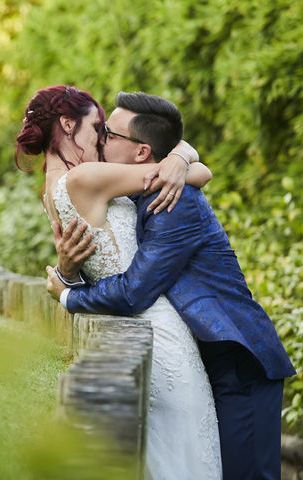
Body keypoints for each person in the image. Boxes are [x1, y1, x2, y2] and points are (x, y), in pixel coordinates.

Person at [46, 90, 297, 480]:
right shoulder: (144, 189)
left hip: (238, 361)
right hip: (207, 354)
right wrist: (182, 156)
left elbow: (134, 291)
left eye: (109, 135)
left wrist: (67, 294)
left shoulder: (174, 203)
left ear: (142, 153)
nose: (100, 140)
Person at [15, 85, 221, 479]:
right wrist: (181, 154)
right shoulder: (88, 178)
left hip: (131, 320)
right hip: (159, 328)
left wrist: (67, 278)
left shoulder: (50, 191)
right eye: (98, 128)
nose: (103, 138)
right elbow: (200, 173)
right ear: (68, 125)